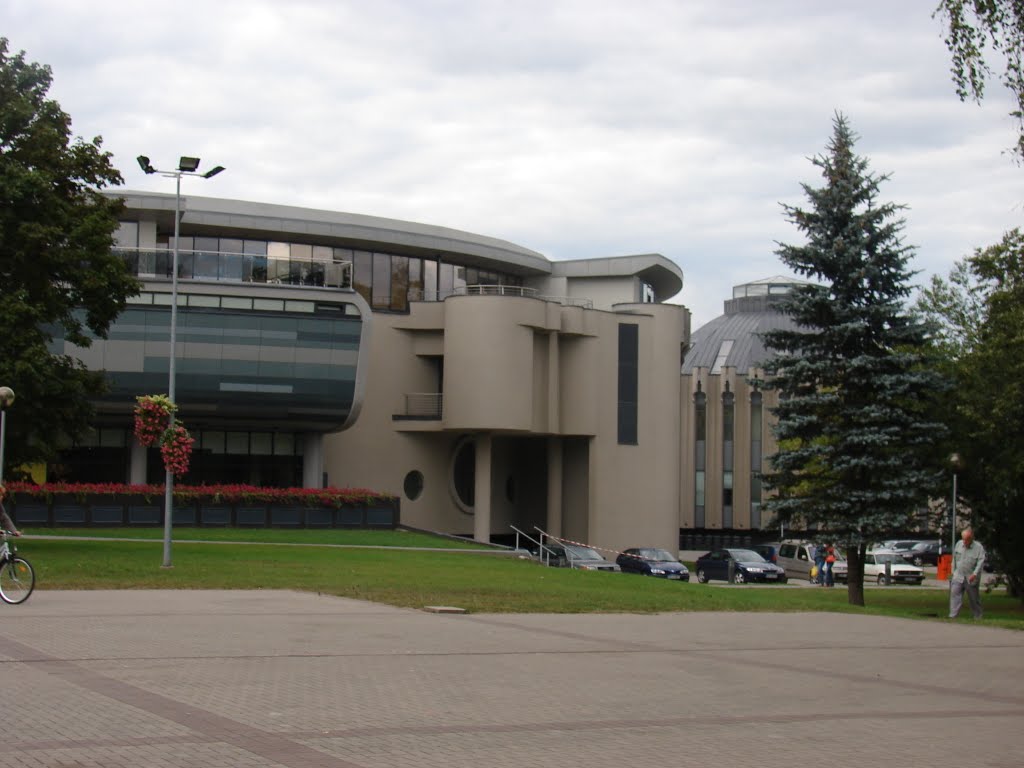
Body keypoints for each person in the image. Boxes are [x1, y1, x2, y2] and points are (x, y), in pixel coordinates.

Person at [949, 526, 985, 619]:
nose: (964, 542)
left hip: (970, 577)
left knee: (974, 598)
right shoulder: (959, 544)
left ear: (971, 539)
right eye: (963, 539)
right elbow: (954, 558)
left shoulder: (978, 547)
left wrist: (975, 574)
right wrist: (953, 571)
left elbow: (980, 562)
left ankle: (978, 616)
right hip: (958, 575)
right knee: (954, 595)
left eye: (966, 540)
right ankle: (953, 616)